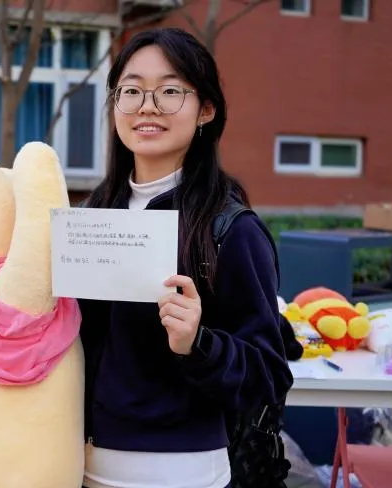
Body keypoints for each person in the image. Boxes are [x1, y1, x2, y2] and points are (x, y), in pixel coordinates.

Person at [78, 27, 295, 488]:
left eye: (170, 91)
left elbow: (269, 378)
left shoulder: (231, 229)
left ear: (206, 110)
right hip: (77, 462)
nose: (147, 106)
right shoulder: (90, 218)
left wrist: (198, 343)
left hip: (182, 471)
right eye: (131, 90)